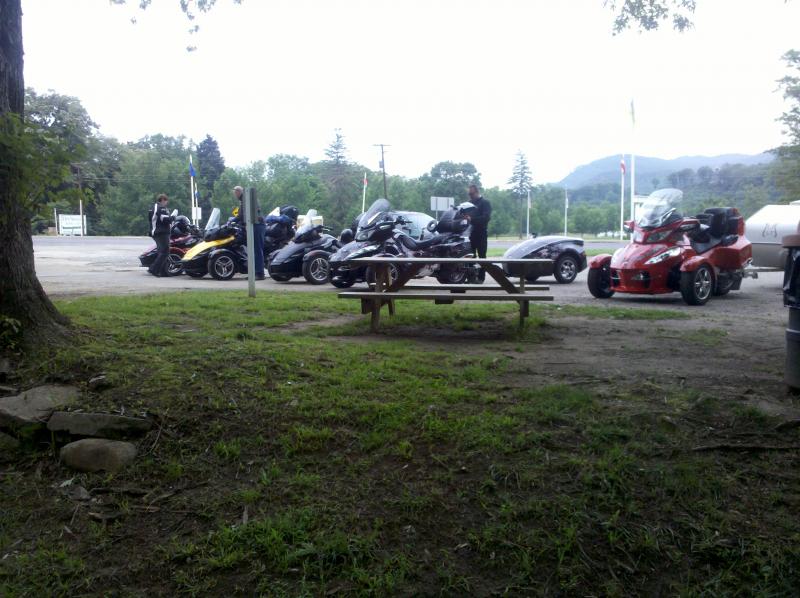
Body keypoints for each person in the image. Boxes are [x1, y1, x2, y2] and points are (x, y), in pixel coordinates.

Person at [233, 185, 267, 280]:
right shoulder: (245, 199)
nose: (235, 195)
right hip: (254, 225)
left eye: (235, 193)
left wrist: (232, 221)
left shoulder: (246, 199)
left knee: (256, 250)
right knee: (252, 250)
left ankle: (259, 274)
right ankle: (254, 273)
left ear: (238, 192)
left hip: (257, 225)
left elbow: (242, 215)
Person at [467, 184, 492, 281]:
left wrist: (471, 219)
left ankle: (481, 278)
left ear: (477, 192)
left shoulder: (485, 203)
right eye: (469, 194)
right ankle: (471, 277)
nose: (470, 196)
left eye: (472, 194)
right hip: (470, 233)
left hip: (481, 233)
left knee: (482, 256)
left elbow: (486, 218)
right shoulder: (469, 203)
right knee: (470, 256)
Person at [147, 194, 173, 277]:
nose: (166, 203)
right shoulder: (160, 208)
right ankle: (153, 269)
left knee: (160, 252)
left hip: (155, 232)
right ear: (162, 200)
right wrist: (173, 217)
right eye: (166, 201)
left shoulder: (152, 207)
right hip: (162, 232)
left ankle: (162, 271)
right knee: (165, 252)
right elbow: (166, 220)